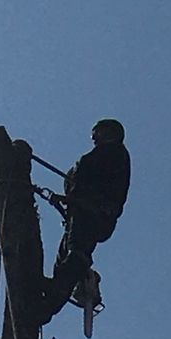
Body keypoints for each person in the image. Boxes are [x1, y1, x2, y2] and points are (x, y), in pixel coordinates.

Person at [53, 120, 130, 310]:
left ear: (110, 133)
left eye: (97, 133)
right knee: (64, 256)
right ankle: (67, 283)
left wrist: (73, 194)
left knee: (76, 252)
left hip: (93, 213)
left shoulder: (113, 154)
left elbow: (88, 177)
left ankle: (64, 288)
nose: (93, 138)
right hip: (81, 211)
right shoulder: (103, 155)